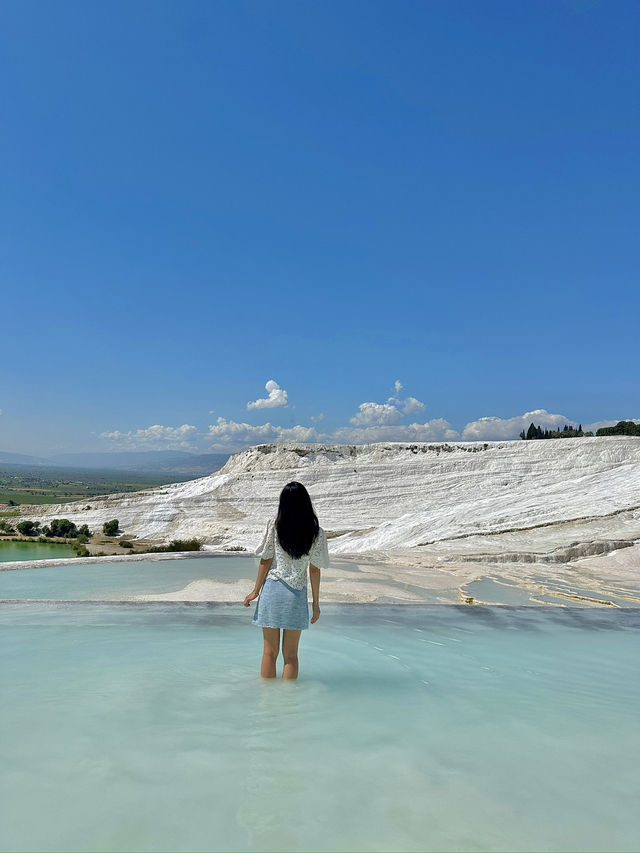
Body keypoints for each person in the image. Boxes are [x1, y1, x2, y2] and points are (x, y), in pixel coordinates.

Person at [243, 481, 330, 680]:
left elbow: (266, 559)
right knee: (290, 656)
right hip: (296, 595)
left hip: (272, 592)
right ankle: (290, 704)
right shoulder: (317, 533)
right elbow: (314, 570)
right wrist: (316, 604)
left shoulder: (274, 526)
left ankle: (267, 702)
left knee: (269, 653)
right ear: (306, 503)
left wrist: (255, 591)